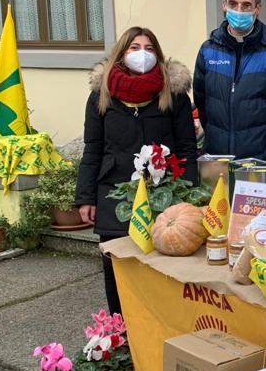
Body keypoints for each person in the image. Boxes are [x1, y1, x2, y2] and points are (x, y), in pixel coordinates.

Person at [76, 27, 198, 314]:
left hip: (164, 194)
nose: (142, 53)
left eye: (148, 47)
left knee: (162, 268)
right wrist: (85, 197)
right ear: (121, 54)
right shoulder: (100, 96)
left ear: (158, 54)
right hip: (114, 194)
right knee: (116, 266)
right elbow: (92, 149)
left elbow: (187, 149)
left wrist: (190, 195)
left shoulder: (174, 94)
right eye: (134, 47)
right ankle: (120, 331)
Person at [193, 0, 266, 159]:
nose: (239, 10)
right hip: (218, 158)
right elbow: (202, 102)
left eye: (246, 5)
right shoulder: (208, 50)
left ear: (257, 9)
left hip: (262, 158)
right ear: (224, 5)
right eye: (233, 3)